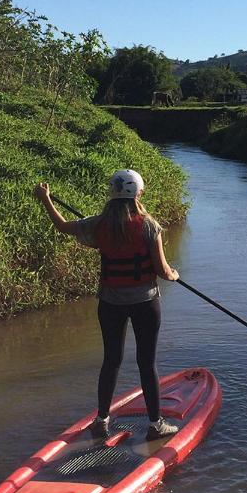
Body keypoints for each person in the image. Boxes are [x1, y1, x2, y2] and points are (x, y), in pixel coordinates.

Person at [34, 169, 180, 441]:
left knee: (111, 361)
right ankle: (155, 424)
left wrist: (46, 200)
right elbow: (162, 270)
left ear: (112, 193)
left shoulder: (99, 224)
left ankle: (101, 421)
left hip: (111, 303)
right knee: (146, 363)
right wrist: (174, 274)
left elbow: (63, 227)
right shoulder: (150, 226)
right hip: (145, 303)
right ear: (138, 193)